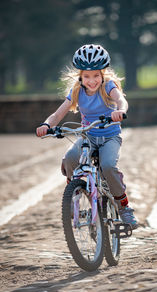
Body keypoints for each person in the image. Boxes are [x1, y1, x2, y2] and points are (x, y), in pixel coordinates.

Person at [36, 44, 138, 229]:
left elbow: (121, 99)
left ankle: (124, 208)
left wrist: (120, 110)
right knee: (70, 157)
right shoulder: (77, 91)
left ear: (103, 74)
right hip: (88, 135)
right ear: (80, 76)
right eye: (87, 76)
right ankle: (73, 189)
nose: (92, 81)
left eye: (96, 75)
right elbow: (58, 115)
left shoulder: (108, 86)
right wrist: (46, 125)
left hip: (109, 137)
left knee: (108, 166)